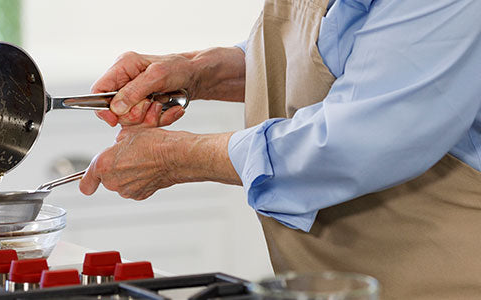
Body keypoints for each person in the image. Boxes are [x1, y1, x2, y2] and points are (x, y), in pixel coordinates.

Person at [78, 0, 481, 298]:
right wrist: (201, 71)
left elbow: (360, 138)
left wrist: (177, 157)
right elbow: (334, 53)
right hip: (333, 279)